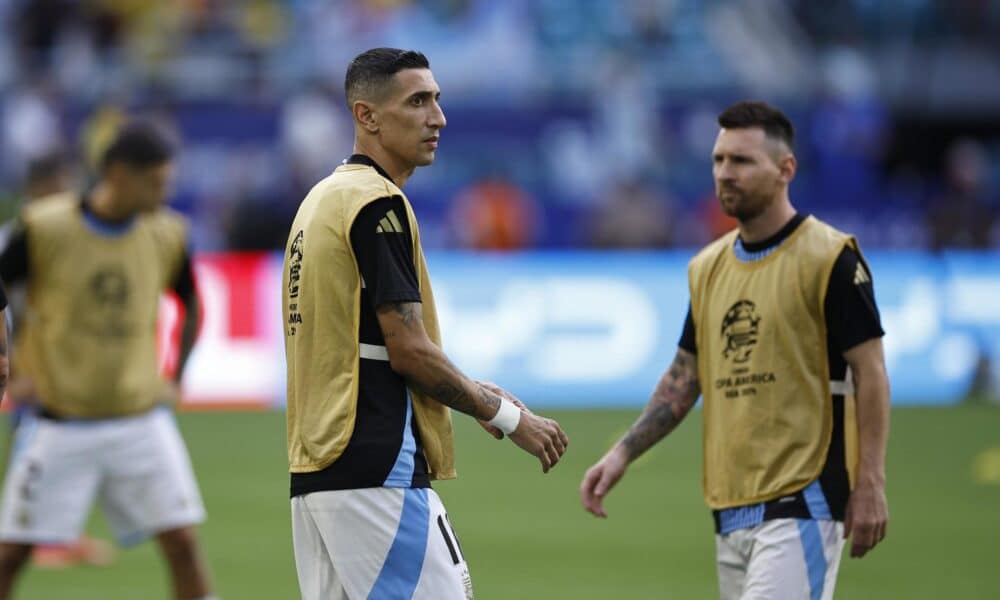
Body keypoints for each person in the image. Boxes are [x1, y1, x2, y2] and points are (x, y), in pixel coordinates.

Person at [282, 47, 569, 600]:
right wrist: (509, 417)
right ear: (367, 116)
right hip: (374, 468)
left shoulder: (322, 200)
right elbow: (407, 351)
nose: (437, 117)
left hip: (319, 472)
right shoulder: (378, 205)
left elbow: (363, 342)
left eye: (436, 100)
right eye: (417, 101)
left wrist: (473, 390)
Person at [580, 101, 890, 599]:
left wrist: (871, 480)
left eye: (742, 161)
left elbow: (870, 372)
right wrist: (623, 453)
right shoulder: (708, 268)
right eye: (719, 160)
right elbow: (685, 377)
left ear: (785, 169)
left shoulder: (830, 258)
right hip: (731, 505)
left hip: (803, 497)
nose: (725, 173)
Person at [0, 123, 215, 600]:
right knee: (11, 553)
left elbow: (192, 302)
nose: (167, 192)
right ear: (119, 175)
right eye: (157, 181)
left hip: (140, 419)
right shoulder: (44, 226)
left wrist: (176, 375)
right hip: (59, 422)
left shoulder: (168, 233)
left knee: (183, 543)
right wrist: (10, 361)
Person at [0, 151, 117, 570]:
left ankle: (59, 533)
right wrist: (12, 365)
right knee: (34, 442)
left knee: (61, 440)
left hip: (59, 360)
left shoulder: (68, 235)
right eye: (60, 184)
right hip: (27, 358)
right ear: (40, 187)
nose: (69, 193)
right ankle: (37, 537)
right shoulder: (18, 238)